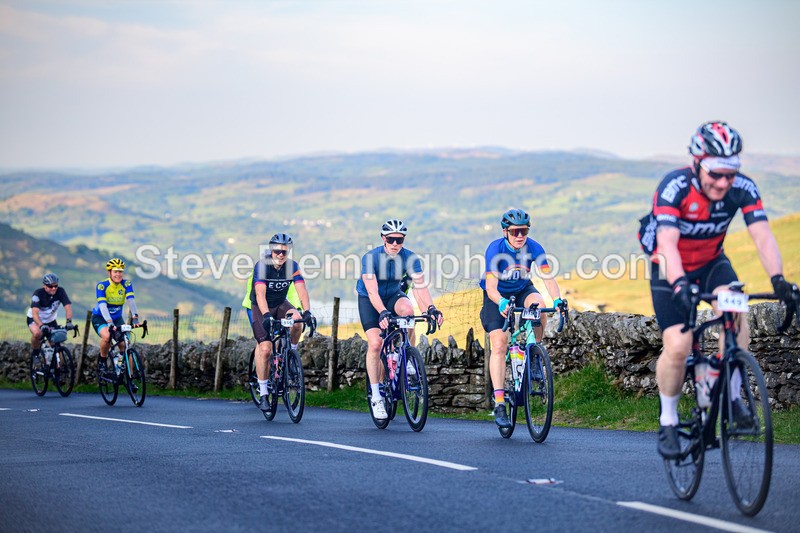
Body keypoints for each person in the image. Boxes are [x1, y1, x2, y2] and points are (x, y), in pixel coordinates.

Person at [640, 121, 798, 459]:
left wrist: (778, 280)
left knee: (736, 314)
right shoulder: (674, 187)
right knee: (680, 345)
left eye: (731, 172)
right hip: (670, 267)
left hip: (713, 263)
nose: (724, 182)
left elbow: (763, 235)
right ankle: (668, 420)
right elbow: (666, 242)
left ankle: (732, 398)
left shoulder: (743, 187)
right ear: (697, 163)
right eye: (716, 173)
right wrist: (680, 284)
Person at [480, 208, 567, 429]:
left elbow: (547, 277)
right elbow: (490, 287)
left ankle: (534, 354)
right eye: (515, 231)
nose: (520, 236)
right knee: (499, 344)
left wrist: (557, 299)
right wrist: (500, 302)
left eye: (524, 231)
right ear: (505, 232)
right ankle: (499, 402)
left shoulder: (535, 247)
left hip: (522, 289)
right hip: (496, 295)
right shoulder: (495, 249)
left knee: (539, 305)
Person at [356, 219, 444, 420]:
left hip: (393, 294)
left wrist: (431, 309)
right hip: (370, 300)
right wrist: (382, 312)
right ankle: (376, 396)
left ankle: (407, 356)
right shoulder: (370, 258)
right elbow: (371, 290)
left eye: (399, 239)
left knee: (407, 310)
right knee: (376, 343)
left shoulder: (409, 257)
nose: (395, 243)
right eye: (391, 239)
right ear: (383, 239)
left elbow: (419, 287)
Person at [250, 233, 314, 413]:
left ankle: (291, 352)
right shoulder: (263, 266)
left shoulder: (292, 266)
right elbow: (260, 294)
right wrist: (266, 316)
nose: (280, 254)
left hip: (279, 304)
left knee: (297, 320)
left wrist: (307, 311)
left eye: (284, 252)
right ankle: (263, 393)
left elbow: (301, 289)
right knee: (265, 348)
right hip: (259, 307)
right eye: (277, 251)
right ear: (271, 250)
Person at [91, 258, 143, 373]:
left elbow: (131, 301)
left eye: (120, 271)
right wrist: (109, 322)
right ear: (109, 272)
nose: (118, 274)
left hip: (117, 318)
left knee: (126, 345)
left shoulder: (126, 284)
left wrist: (135, 318)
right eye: (115, 271)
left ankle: (131, 377)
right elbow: (103, 306)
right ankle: (102, 361)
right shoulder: (102, 286)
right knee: (107, 337)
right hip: (100, 317)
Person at [27, 273, 73, 361]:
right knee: (37, 334)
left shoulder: (60, 291)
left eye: (55, 286)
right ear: (44, 286)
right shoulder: (38, 294)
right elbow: (35, 313)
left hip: (50, 320)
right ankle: (36, 354)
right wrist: (41, 326)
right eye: (50, 286)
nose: (54, 288)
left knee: (56, 344)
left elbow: (68, 308)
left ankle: (57, 369)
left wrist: (69, 322)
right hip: (35, 319)